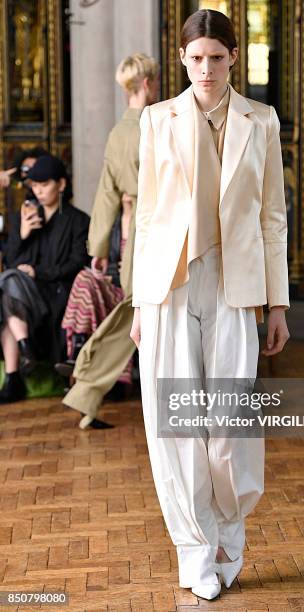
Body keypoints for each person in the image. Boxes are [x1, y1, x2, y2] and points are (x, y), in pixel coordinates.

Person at [130, 9, 289, 601]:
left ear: (232, 59)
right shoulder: (155, 120)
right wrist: (141, 303)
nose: (205, 69)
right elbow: (147, 218)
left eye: (216, 58)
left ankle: (229, 533)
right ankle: (195, 548)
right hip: (169, 284)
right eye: (195, 58)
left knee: (228, 423)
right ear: (182, 59)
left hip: (236, 282)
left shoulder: (262, 121)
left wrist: (277, 305)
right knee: (176, 426)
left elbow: (273, 218)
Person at [62, 53, 160, 429]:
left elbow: (106, 195)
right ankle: (87, 381)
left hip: (134, 237)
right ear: (148, 83)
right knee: (140, 318)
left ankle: (86, 388)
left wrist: (99, 250)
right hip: (159, 234)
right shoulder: (157, 127)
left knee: (135, 316)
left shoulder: (118, 133)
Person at [0, 154, 90, 403]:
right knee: (8, 282)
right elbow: (11, 260)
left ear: (61, 185)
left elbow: (77, 263)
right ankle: (24, 348)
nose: (39, 191)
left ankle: (14, 374)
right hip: (26, 294)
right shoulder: (26, 216)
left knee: (7, 286)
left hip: (57, 292)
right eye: (35, 186)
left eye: (45, 185)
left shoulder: (78, 220)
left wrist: (39, 272)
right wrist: (23, 234)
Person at [55, 192, 134, 391]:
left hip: (134, 293)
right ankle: (80, 349)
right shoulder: (111, 223)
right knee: (85, 279)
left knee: (86, 287)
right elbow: (103, 266)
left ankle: (79, 354)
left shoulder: (147, 219)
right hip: (112, 287)